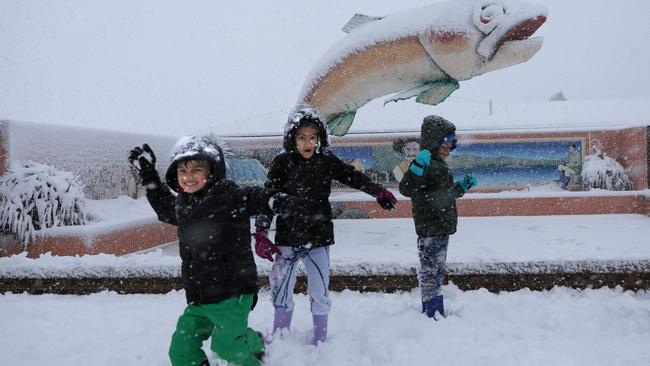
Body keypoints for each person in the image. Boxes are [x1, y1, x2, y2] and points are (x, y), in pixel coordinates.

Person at [128, 136, 315, 366]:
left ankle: (252, 346)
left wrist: (276, 201)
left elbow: (253, 197)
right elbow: (165, 207)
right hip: (199, 297)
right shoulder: (184, 205)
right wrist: (149, 177)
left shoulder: (227, 196)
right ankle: (247, 340)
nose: (188, 176)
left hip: (233, 292)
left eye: (197, 169)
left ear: (212, 171)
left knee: (227, 346)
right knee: (181, 349)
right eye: (182, 170)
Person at [253, 105, 398, 345]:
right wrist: (261, 232)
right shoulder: (282, 163)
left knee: (320, 292)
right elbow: (267, 198)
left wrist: (378, 191)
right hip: (287, 240)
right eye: (301, 137)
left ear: (320, 138)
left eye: (312, 137)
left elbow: (352, 176)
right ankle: (280, 335)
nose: (307, 142)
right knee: (281, 290)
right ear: (292, 139)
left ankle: (320, 338)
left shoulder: (326, 160)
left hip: (318, 239)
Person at [398, 115, 477, 320]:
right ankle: (431, 311)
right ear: (434, 144)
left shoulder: (441, 166)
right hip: (429, 228)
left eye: (451, 146)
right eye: (445, 145)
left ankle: (434, 309)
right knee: (431, 272)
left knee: (436, 271)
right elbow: (406, 188)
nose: (448, 150)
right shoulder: (424, 164)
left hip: (441, 226)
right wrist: (416, 168)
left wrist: (461, 187)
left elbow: (445, 195)